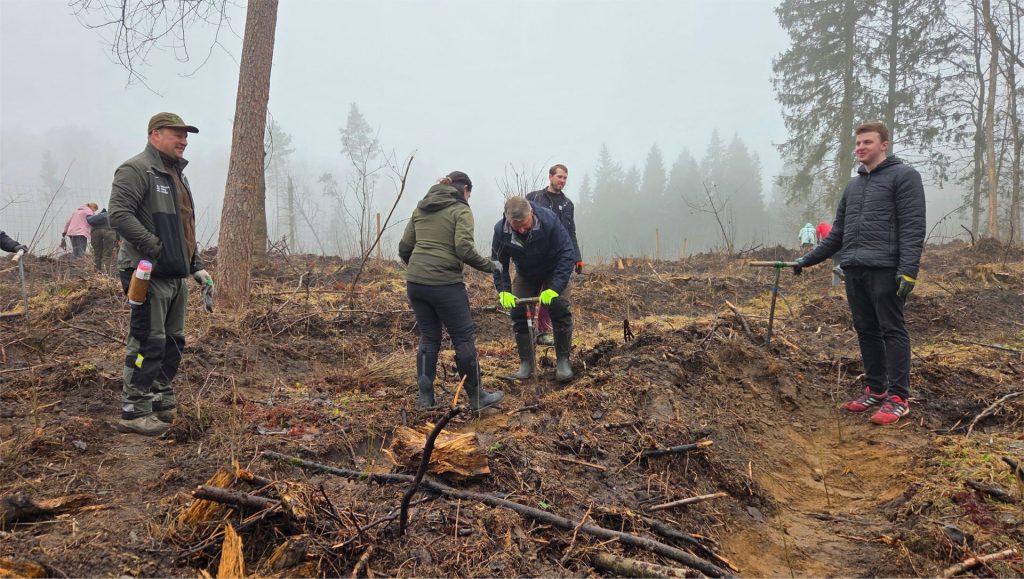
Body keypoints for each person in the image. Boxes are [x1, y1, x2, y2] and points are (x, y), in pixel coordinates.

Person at [793, 121, 925, 425]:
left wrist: (908, 271)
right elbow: (837, 233)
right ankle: (877, 389)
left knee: (892, 329)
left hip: (886, 268)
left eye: (867, 142)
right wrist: (806, 260)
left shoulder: (904, 177)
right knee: (866, 329)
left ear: (884, 145)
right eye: (858, 143)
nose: (860, 148)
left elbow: (913, 227)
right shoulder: (853, 186)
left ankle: (898, 398)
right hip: (853, 268)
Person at [108, 112, 213, 436]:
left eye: (186, 136)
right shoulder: (136, 169)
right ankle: (134, 409)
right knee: (146, 342)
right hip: (147, 273)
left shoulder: (176, 175)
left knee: (173, 342)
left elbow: (184, 228)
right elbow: (118, 214)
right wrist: (154, 247)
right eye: (176, 134)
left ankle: (160, 397)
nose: (183, 141)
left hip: (175, 274)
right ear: (155, 135)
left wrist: (195, 266)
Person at [398, 171, 505, 412]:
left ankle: (425, 398)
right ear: (465, 189)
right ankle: (477, 397)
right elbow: (464, 249)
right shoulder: (461, 210)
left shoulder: (422, 208)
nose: (469, 198)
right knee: (463, 338)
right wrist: (491, 266)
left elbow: (404, 247)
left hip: (416, 283)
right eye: (469, 193)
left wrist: (419, 268)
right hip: (445, 284)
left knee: (429, 337)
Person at [492, 196, 577, 383]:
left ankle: (563, 361)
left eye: (525, 225)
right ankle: (526, 364)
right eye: (517, 226)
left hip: (553, 268)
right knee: (518, 310)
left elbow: (567, 253)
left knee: (559, 306)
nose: (521, 230)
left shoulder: (549, 221)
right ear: (508, 220)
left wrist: (554, 288)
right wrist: (503, 290)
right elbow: (499, 263)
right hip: (527, 273)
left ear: (531, 213)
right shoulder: (501, 230)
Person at [526, 164, 582, 347]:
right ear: (550, 177)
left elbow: (571, 232)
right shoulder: (534, 198)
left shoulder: (568, 204)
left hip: (558, 259)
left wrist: (577, 257)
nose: (562, 181)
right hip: (535, 258)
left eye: (565, 177)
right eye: (559, 177)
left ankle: (543, 332)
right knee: (530, 294)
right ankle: (528, 331)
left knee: (551, 296)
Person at [87, 207, 117, 273]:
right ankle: (104, 273)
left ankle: (97, 272)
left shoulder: (96, 218)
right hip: (109, 231)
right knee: (107, 254)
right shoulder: (112, 215)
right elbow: (118, 226)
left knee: (97, 253)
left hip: (95, 231)